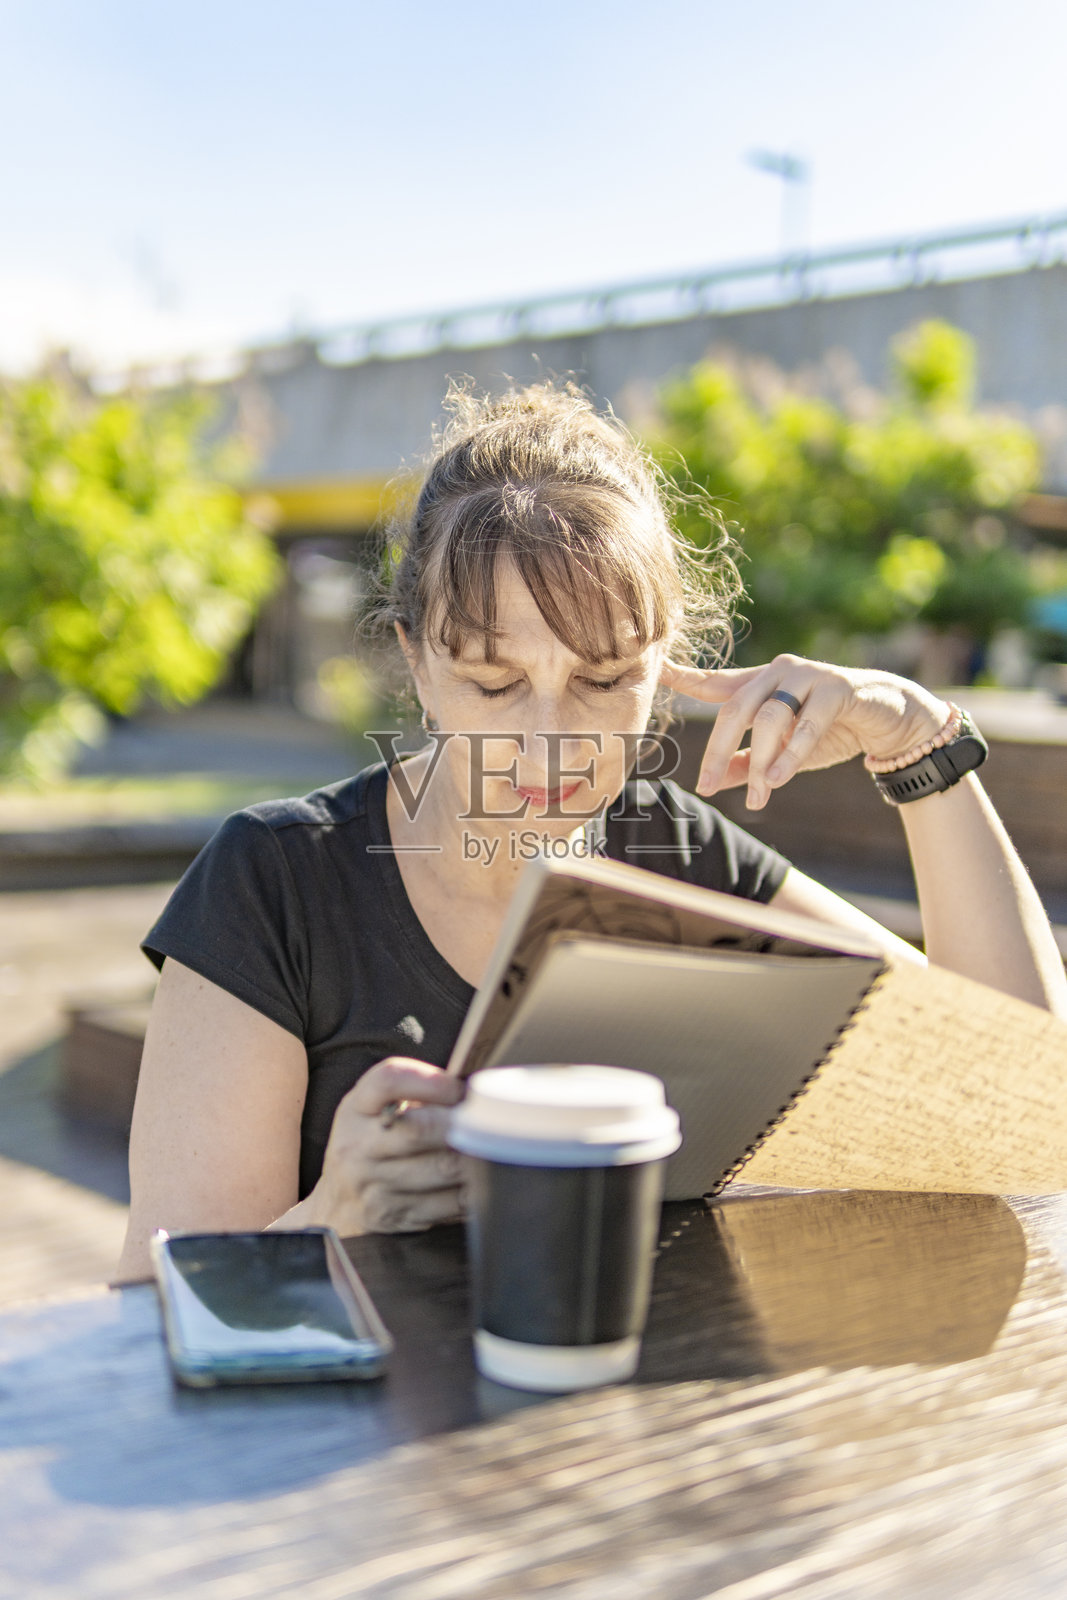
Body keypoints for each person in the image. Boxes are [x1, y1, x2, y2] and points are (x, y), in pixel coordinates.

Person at [115, 380, 1067, 1281]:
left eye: (604, 680)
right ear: (413, 662)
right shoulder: (276, 884)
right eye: (492, 685)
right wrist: (335, 1215)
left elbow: (1026, 1095)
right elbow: (147, 1301)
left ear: (667, 669)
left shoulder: (675, 857)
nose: (548, 745)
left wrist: (914, 742)